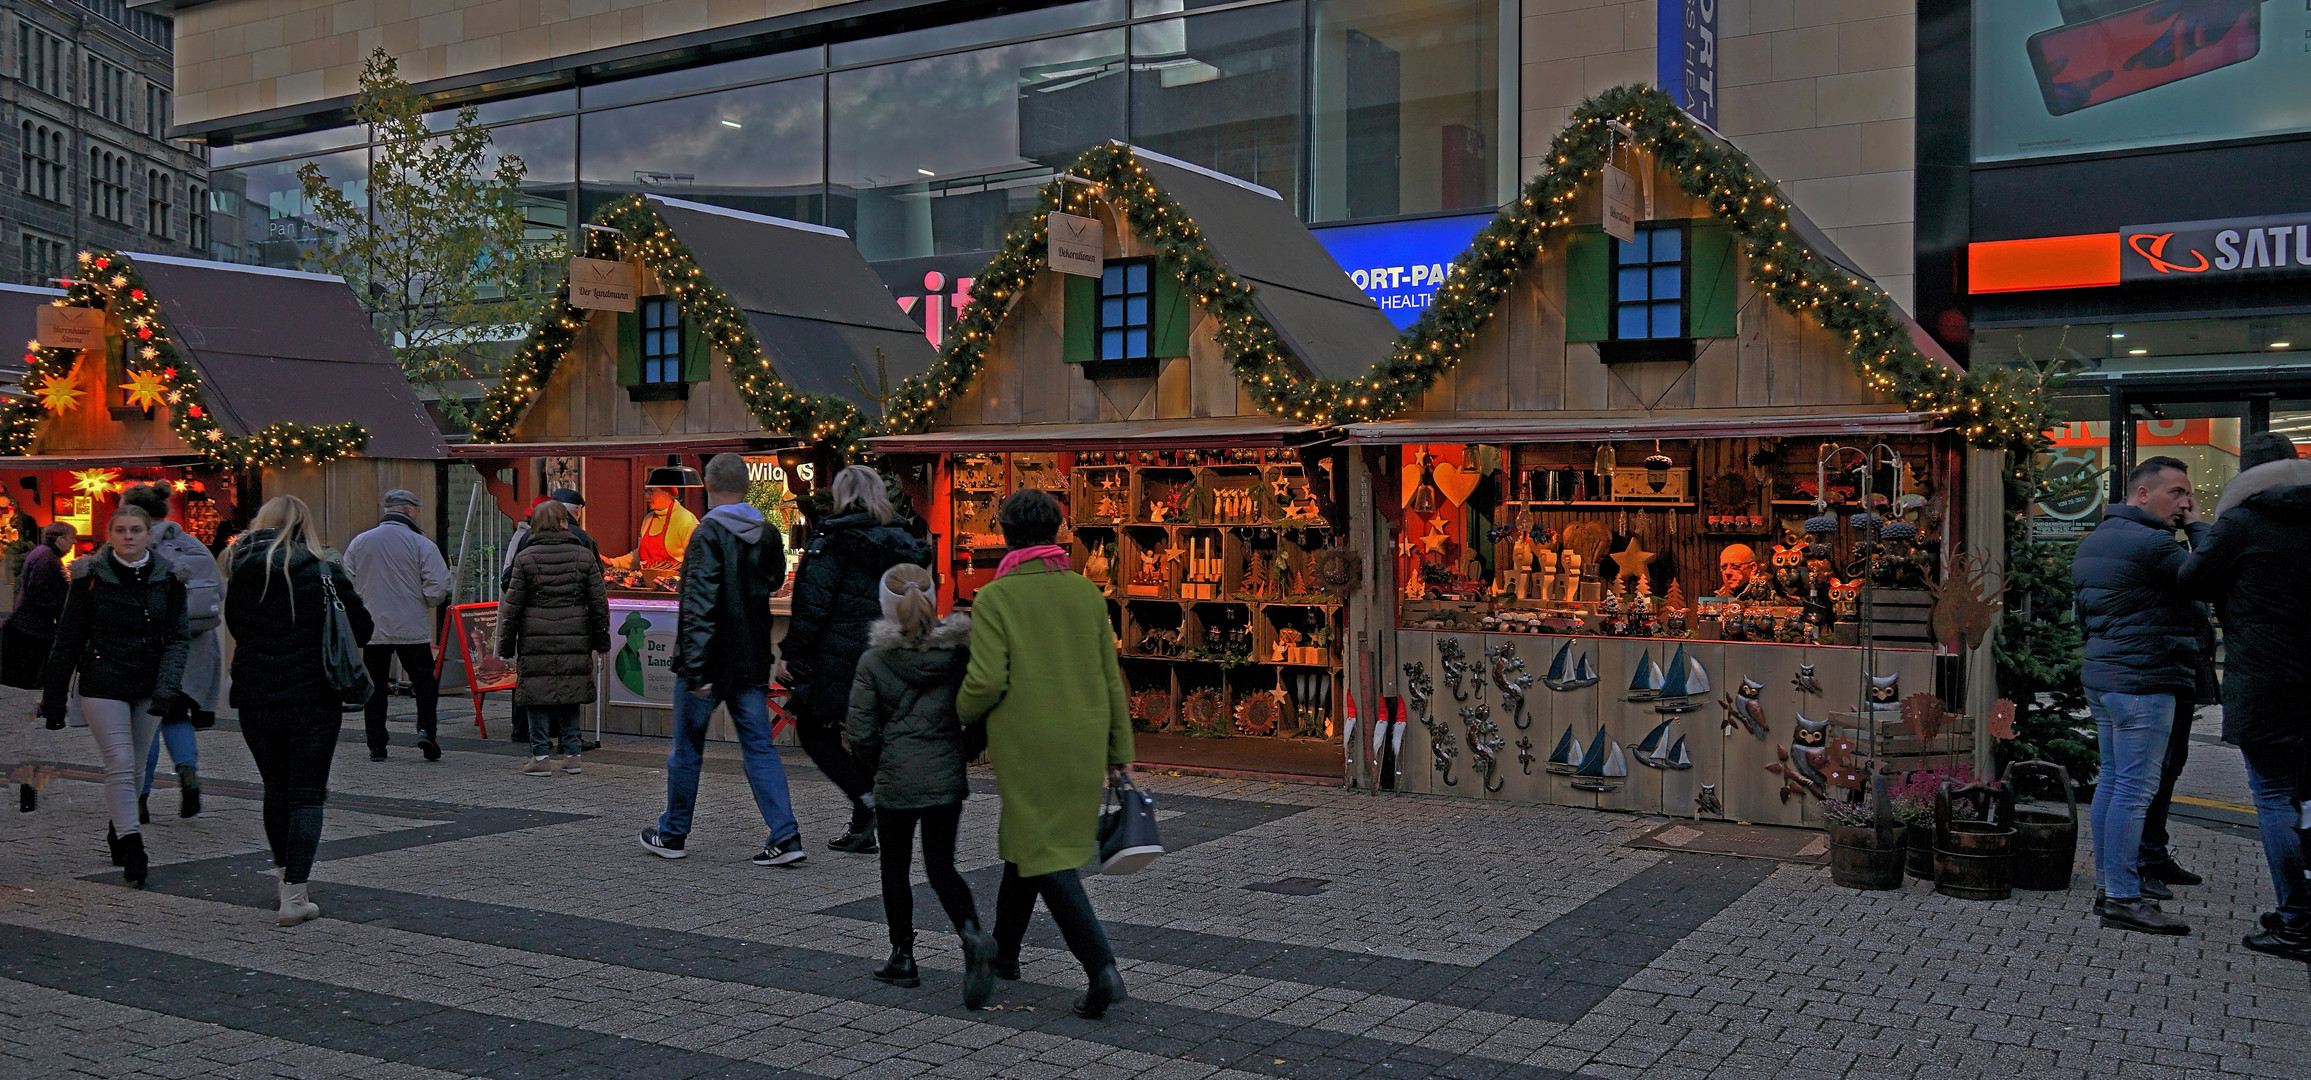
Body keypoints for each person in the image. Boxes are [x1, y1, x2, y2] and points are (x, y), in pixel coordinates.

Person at [957, 489, 1130, 1019]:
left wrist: (958, 712)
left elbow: (985, 681)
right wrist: (1119, 750)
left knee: (1045, 853)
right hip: (1082, 737)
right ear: (1058, 531)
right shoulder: (1084, 593)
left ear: (1005, 534)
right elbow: (1110, 677)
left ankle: (1101, 966)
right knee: (1026, 844)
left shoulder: (995, 598)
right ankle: (1004, 954)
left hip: (1026, 741)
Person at [640, 453, 807, 866]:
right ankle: (785, 835)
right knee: (759, 748)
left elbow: (697, 602)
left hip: (709, 659)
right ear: (747, 486)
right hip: (750, 655)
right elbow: (772, 581)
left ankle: (673, 833)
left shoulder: (707, 533)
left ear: (709, 487)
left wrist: (695, 667)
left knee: (687, 749)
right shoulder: (767, 533)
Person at [2181, 431, 2311, 958]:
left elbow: (2193, 580)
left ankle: (2296, 920)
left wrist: (2198, 529)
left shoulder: (2243, 523)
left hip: (2267, 679)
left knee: (2276, 796)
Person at [844, 563, 995, 1006]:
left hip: (895, 778)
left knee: (894, 866)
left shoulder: (874, 661)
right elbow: (981, 703)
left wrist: (876, 767)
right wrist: (965, 749)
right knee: (941, 865)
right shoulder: (958, 654)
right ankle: (971, 935)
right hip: (945, 776)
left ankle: (903, 956)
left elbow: (859, 730)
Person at [2073, 455, 2207, 935]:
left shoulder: (2097, 539)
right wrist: (2199, 530)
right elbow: (2207, 579)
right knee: (2132, 789)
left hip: (2106, 676)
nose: (2186, 503)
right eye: (2177, 492)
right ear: (2143, 494)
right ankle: (2124, 898)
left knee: (2113, 782)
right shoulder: (2153, 544)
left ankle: (2110, 886)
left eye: (2189, 495)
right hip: (2143, 680)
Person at [223, 495, 373, 925]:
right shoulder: (323, 567)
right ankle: (295, 894)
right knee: (306, 794)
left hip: (256, 696)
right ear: (304, 524)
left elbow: (236, 626)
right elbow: (362, 627)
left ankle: (282, 879)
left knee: (276, 789)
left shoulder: (239, 570)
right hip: (313, 695)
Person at [39, 505, 191, 889]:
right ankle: (132, 841)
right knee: (120, 761)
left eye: (135, 530)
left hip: (149, 682)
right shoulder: (89, 578)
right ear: (110, 534)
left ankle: (118, 827)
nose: (128, 536)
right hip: (102, 679)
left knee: (138, 766)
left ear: (147, 534)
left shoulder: (169, 579)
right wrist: (54, 698)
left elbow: (177, 638)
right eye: (121, 530)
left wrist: (166, 688)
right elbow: (67, 641)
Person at [784, 465, 931, 854]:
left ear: (841, 496)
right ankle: (865, 820)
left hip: (838, 654)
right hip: (889, 652)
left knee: (814, 729)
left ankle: (866, 799)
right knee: (867, 734)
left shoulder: (831, 541)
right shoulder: (905, 539)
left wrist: (792, 653)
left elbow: (812, 605)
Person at [119, 484, 223, 820]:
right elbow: (217, 592)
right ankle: (187, 772)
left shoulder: (132, 545)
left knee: (145, 722)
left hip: (147, 650)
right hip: (191, 652)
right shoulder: (193, 545)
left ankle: (140, 797)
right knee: (176, 716)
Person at [497, 499, 608, 775]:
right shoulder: (584, 556)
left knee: (536, 695)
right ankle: (572, 754)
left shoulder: (525, 558)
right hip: (575, 633)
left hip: (535, 635)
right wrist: (601, 641)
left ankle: (541, 757)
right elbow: (598, 602)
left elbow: (513, 606)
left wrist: (506, 645)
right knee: (569, 694)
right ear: (563, 522)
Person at [346, 489, 450, 762]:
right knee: (424, 683)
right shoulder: (421, 543)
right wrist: (424, 600)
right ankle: (427, 730)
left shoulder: (360, 541)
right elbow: (438, 586)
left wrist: (363, 602)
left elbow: (347, 580)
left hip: (374, 627)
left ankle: (376, 744)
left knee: (375, 686)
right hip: (411, 626)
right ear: (409, 511)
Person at [3, 523, 74, 710]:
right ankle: (48, 704)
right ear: (59, 539)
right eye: (71, 538)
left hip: (33, 622)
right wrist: (58, 610)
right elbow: (38, 589)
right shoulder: (47, 558)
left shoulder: (43, 554)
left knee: (42, 667)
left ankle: (47, 702)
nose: (73, 543)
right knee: (44, 666)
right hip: (36, 624)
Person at [605, 486, 695, 570]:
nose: (646, 496)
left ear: (667, 492)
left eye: (651, 491)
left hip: (674, 585)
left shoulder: (685, 520)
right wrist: (613, 562)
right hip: (649, 583)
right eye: (645, 491)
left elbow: (696, 561)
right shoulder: (648, 518)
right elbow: (641, 555)